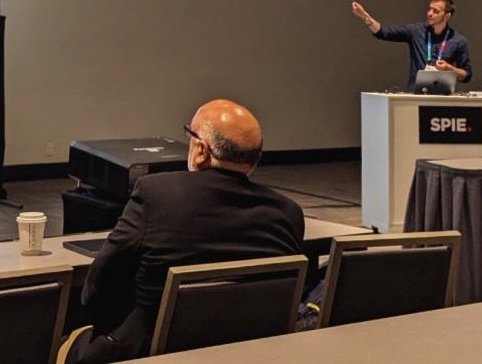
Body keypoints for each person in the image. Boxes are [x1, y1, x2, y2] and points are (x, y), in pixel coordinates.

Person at [60, 99, 305, 364]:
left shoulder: (156, 194)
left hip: (151, 352)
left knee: (63, 343)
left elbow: (101, 276)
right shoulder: (288, 213)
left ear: (201, 150)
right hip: (246, 351)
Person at [351, 0, 472, 92]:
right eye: (429, 9)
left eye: (435, 11)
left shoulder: (458, 41)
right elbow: (384, 33)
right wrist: (365, 17)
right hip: (416, 97)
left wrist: (449, 69)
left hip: (443, 99)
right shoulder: (416, 31)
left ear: (447, 16)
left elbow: (466, 75)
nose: (430, 13)